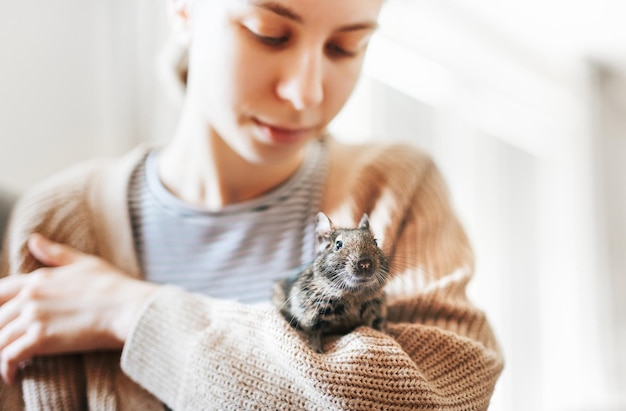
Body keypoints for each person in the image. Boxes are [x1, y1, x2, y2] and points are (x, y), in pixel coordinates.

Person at [0, 0, 504, 409]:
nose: (306, 93)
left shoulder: (396, 189)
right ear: (182, 10)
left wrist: (136, 314)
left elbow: (436, 398)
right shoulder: (58, 224)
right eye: (270, 34)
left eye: (345, 47)